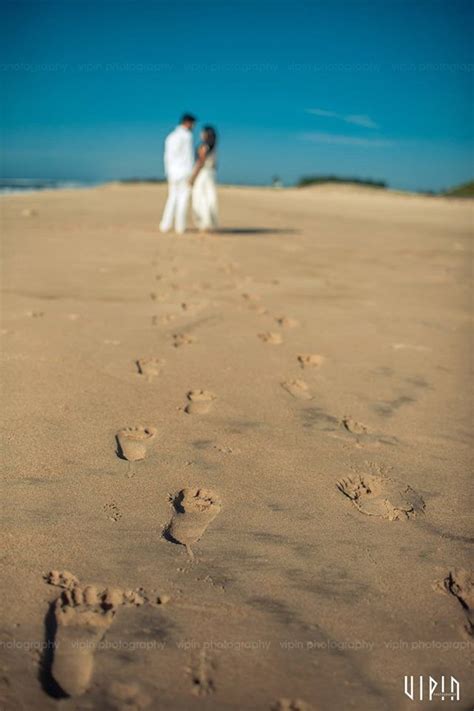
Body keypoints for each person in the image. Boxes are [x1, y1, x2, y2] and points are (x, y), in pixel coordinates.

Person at [159, 113, 196, 234]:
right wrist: (192, 174)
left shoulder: (171, 136)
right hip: (184, 172)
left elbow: (167, 156)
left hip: (172, 172)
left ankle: (165, 225)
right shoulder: (187, 136)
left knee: (172, 198)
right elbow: (189, 156)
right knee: (183, 199)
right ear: (187, 122)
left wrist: (168, 171)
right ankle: (180, 227)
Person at [190, 126, 218, 232]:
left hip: (203, 174)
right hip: (211, 174)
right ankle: (209, 223)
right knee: (209, 197)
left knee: (200, 198)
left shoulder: (203, 146)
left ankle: (204, 223)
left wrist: (193, 177)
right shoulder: (213, 146)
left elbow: (200, 162)